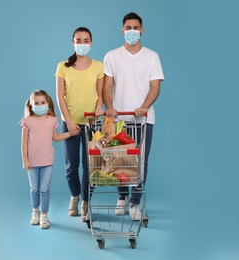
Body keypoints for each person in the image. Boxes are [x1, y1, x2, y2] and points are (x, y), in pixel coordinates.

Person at [103, 12, 165, 221]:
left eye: (135, 28)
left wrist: (143, 106)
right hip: (120, 118)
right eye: (128, 28)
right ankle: (122, 197)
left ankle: (135, 202)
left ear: (142, 30)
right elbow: (107, 85)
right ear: (122, 30)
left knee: (140, 161)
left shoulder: (152, 56)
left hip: (144, 119)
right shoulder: (112, 56)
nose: (132, 31)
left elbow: (155, 87)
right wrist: (110, 106)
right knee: (120, 159)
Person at [55, 27, 104, 221]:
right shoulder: (62, 66)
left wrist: (99, 107)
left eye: (86, 40)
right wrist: (69, 122)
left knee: (90, 166)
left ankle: (86, 202)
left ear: (91, 42)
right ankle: (74, 196)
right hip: (70, 122)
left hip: (92, 123)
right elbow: (59, 97)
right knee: (71, 166)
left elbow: (100, 95)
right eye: (78, 40)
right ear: (72, 42)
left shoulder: (98, 66)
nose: (82, 44)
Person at [20, 89, 72, 229]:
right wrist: (25, 160)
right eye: (36, 103)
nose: (40, 105)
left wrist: (69, 133)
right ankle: (35, 212)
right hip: (32, 161)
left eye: (42, 102)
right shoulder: (27, 121)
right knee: (34, 189)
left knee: (44, 189)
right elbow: (24, 142)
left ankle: (44, 215)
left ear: (47, 102)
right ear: (31, 105)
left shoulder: (52, 120)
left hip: (47, 161)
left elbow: (55, 138)